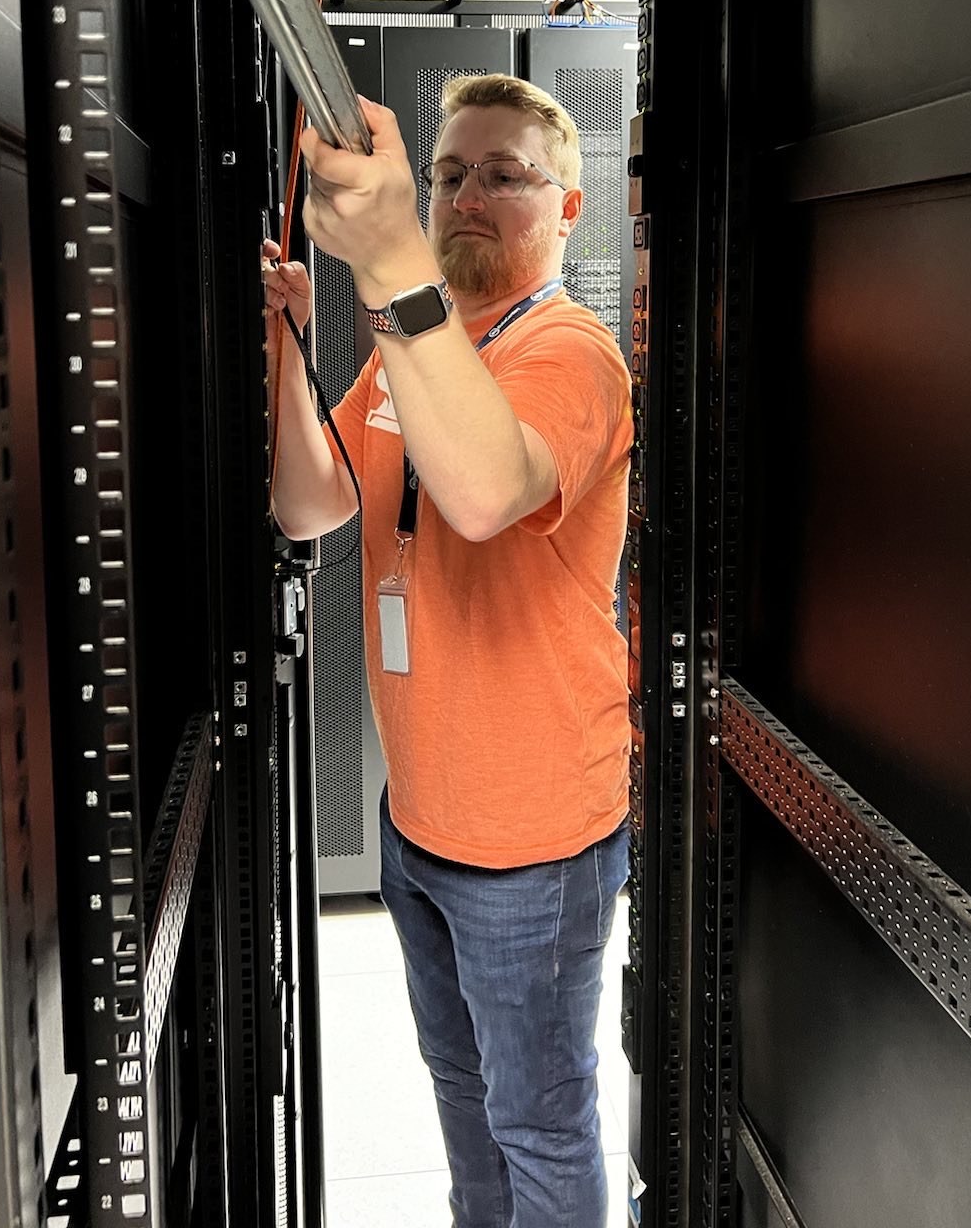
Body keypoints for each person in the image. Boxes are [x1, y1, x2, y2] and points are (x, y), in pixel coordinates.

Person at [263, 73, 633, 1228]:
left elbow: (478, 492)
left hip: (531, 836)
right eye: (451, 174)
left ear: (567, 207)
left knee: (539, 1120)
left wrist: (389, 269)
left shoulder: (570, 354)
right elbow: (309, 505)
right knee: (465, 1100)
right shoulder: (421, 345)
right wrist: (287, 343)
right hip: (419, 818)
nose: (470, 197)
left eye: (506, 176)